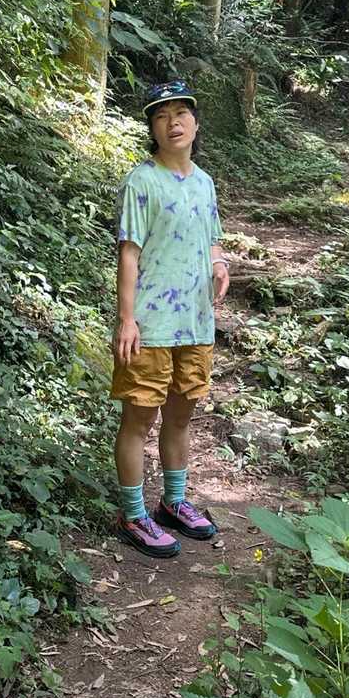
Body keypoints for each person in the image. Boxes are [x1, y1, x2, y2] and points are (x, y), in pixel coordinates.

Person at [110, 80, 230, 557]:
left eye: (181, 113)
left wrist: (220, 265)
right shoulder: (142, 181)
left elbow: (212, 238)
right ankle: (133, 515)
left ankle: (173, 502)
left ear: (196, 124)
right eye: (161, 116)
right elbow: (129, 254)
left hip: (196, 323)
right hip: (150, 325)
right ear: (152, 129)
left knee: (181, 416)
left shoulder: (204, 182)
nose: (172, 122)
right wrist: (127, 320)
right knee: (139, 419)